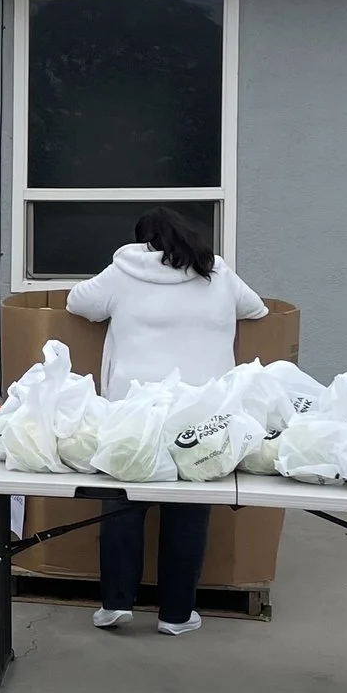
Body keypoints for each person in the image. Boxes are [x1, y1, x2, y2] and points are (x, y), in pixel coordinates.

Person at [65, 206, 268, 637]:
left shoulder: (123, 271)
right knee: (187, 511)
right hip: (202, 416)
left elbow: (77, 302)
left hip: (134, 411)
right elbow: (258, 310)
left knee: (123, 502)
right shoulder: (218, 273)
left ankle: (116, 603)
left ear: (143, 242)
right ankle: (176, 615)